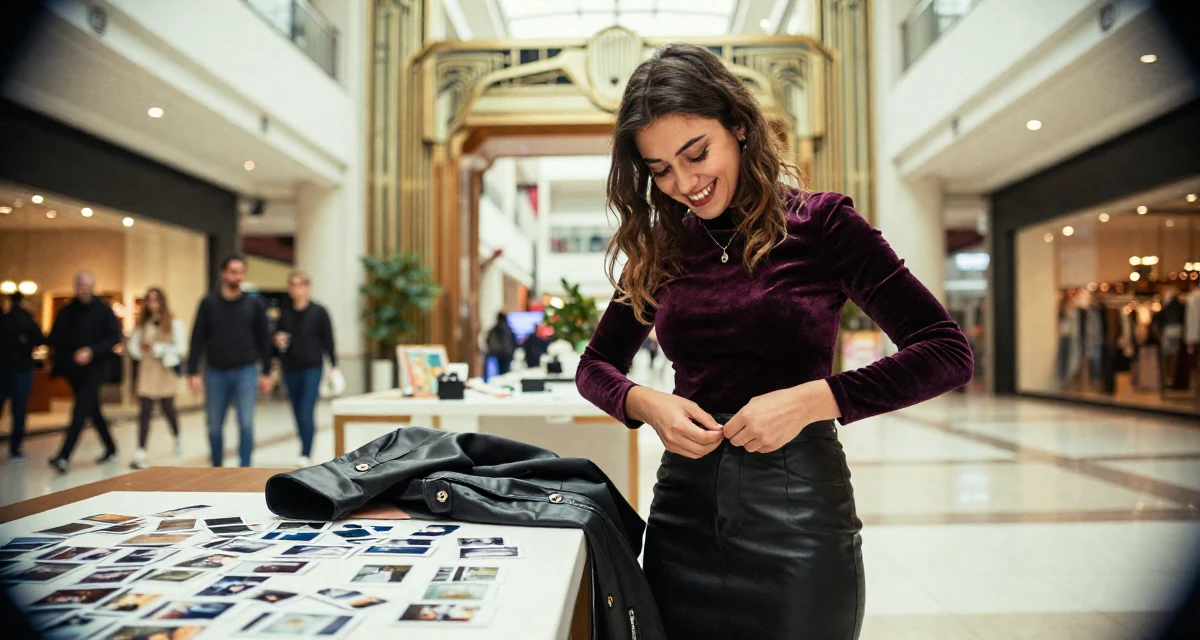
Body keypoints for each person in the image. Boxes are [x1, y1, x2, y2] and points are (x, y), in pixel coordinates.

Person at [575, 44, 974, 639]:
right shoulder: (661, 247)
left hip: (799, 511)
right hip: (684, 512)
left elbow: (946, 352)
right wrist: (646, 404)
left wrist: (814, 399)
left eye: (696, 153)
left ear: (738, 126)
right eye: (660, 170)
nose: (684, 183)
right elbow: (596, 366)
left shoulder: (823, 225)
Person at [187, 256, 273, 467]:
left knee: (246, 424)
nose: (238, 276)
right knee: (214, 425)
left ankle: (245, 468)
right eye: (233, 272)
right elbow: (197, 336)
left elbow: (264, 338)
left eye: (241, 272)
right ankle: (217, 468)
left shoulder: (254, 304)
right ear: (223, 273)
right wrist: (192, 371)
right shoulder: (209, 303)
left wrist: (267, 372)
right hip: (216, 372)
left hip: (246, 371)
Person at [47, 271, 122, 473]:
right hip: (74, 371)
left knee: (80, 410)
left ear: (92, 287)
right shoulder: (67, 310)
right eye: (80, 285)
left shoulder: (103, 310)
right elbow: (55, 337)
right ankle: (111, 447)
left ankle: (64, 456)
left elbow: (114, 337)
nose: (83, 289)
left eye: (87, 285)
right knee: (92, 410)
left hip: (96, 369)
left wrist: (91, 351)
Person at [274, 270, 337, 467]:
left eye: (300, 285)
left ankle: (306, 452)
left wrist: (334, 366)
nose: (296, 289)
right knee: (295, 409)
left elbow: (329, 340)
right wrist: (277, 341)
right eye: (292, 285)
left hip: (312, 367)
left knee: (306, 409)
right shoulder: (285, 313)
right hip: (290, 367)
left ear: (307, 287)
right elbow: (278, 339)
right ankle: (304, 445)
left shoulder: (319, 312)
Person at [126, 287, 186, 469]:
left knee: (168, 408)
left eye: (156, 300)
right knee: (145, 410)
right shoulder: (143, 323)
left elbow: (181, 348)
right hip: (147, 370)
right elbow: (133, 347)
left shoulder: (173, 322)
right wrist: (142, 348)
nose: (153, 305)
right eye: (149, 301)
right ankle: (141, 450)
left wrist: (159, 349)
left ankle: (177, 438)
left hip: (164, 370)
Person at [0, 292, 46, 461]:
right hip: (21, 369)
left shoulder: (4, 319)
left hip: (4, 369)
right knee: (19, 410)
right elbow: (40, 339)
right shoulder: (27, 319)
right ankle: (15, 449)